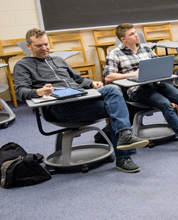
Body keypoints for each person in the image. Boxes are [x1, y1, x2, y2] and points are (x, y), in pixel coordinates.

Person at [13, 28, 150, 173]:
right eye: (39, 46)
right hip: (61, 107)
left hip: (83, 96)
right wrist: (38, 92)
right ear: (28, 46)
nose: (44, 48)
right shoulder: (22, 66)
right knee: (116, 107)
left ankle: (125, 135)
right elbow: (20, 92)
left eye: (46, 44)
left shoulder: (57, 60)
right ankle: (124, 155)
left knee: (113, 89)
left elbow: (77, 79)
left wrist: (91, 83)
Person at [104, 23, 178, 152]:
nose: (136, 35)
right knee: (165, 103)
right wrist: (133, 74)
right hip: (137, 90)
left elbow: (157, 65)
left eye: (135, 32)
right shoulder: (115, 54)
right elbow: (108, 77)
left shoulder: (146, 49)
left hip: (157, 84)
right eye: (131, 34)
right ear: (123, 39)